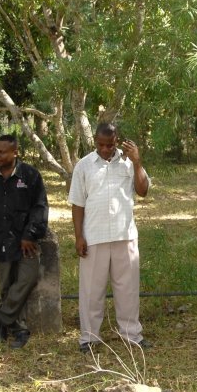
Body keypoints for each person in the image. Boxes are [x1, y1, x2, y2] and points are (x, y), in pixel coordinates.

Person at [69, 122, 151, 354]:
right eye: (101, 145)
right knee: (91, 291)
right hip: (94, 237)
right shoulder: (84, 166)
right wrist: (78, 236)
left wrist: (137, 162)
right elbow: (77, 203)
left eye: (110, 145)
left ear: (117, 142)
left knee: (127, 290)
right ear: (95, 141)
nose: (105, 149)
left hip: (124, 235)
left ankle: (131, 335)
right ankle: (89, 338)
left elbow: (143, 190)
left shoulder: (128, 163)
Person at [0, 134, 48, 349]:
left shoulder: (30, 175)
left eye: (2, 152)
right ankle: (18, 329)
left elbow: (40, 207)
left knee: (28, 278)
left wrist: (29, 235)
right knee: (6, 287)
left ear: (15, 153)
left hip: (26, 241)